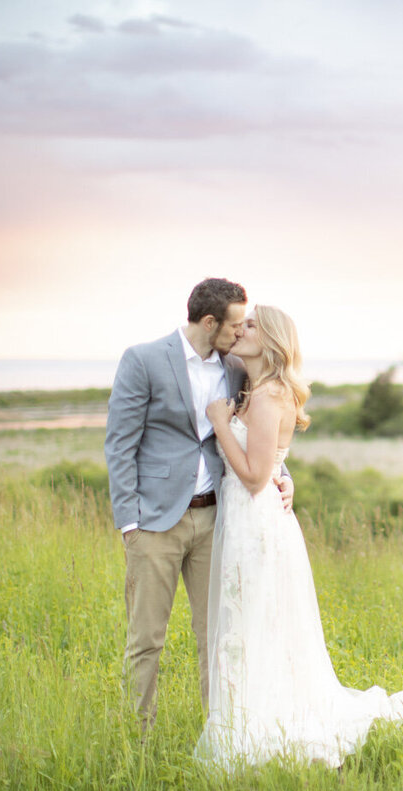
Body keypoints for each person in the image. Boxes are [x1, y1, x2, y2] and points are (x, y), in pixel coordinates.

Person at [195, 305, 403, 769]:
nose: (240, 329)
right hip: (246, 521)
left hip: (258, 525)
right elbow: (269, 463)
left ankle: (258, 728)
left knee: (256, 625)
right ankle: (243, 716)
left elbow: (254, 477)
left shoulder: (272, 395)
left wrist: (218, 423)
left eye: (250, 325)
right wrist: (283, 471)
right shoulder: (252, 386)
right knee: (249, 625)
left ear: (270, 340)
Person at [105, 278, 294, 730]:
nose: (241, 332)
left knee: (217, 635)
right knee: (147, 636)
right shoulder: (144, 359)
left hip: (217, 520)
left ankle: (220, 736)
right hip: (155, 523)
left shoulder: (235, 368)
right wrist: (129, 521)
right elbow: (119, 444)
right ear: (209, 322)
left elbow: (263, 431)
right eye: (235, 325)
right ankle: (139, 736)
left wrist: (283, 477)